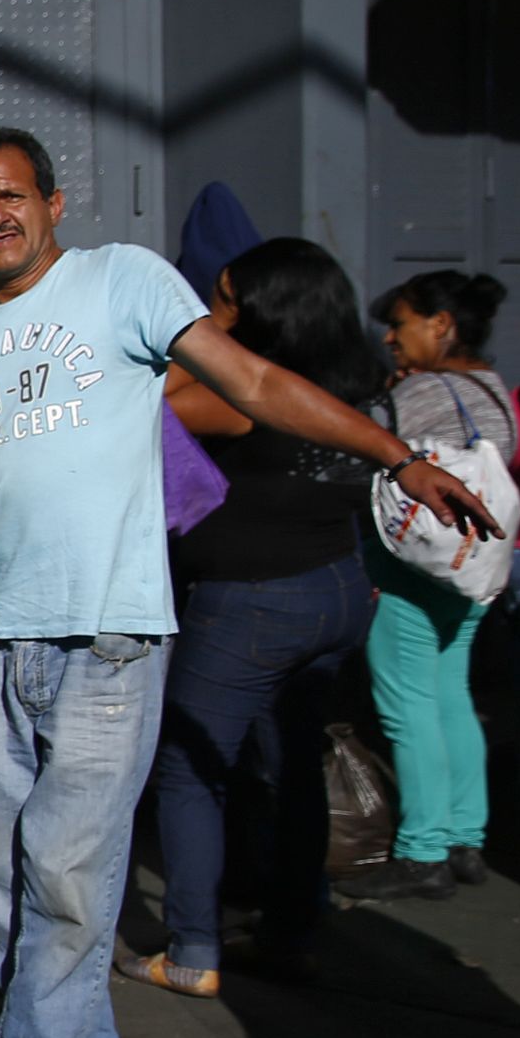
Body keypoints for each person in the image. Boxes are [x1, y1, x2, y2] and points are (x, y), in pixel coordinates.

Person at [0, 127, 498, 1038]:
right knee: (0, 874)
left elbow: (257, 385)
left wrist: (399, 455)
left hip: (112, 638)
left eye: (11, 195)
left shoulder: (125, 281)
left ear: (53, 200)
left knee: (71, 868)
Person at [117, 237, 377, 995]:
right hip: (337, 586)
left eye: (226, 297)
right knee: (294, 765)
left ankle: (194, 949)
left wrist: (199, 332)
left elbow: (151, 391)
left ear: (265, 310)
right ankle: (293, 929)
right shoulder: (351, 383)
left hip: (254, 602)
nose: (212, 306)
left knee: (189, 771)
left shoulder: (244, 394)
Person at [337, 269, 515, 900]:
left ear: (441, 326)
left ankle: (423, 853)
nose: (389, 338)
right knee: (450, 694)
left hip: (414, 568)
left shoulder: (421, 393)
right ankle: (466, 838)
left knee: (407, 703)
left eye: (400, 324)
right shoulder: (489, 388)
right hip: (473, 563)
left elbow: (352, 443)